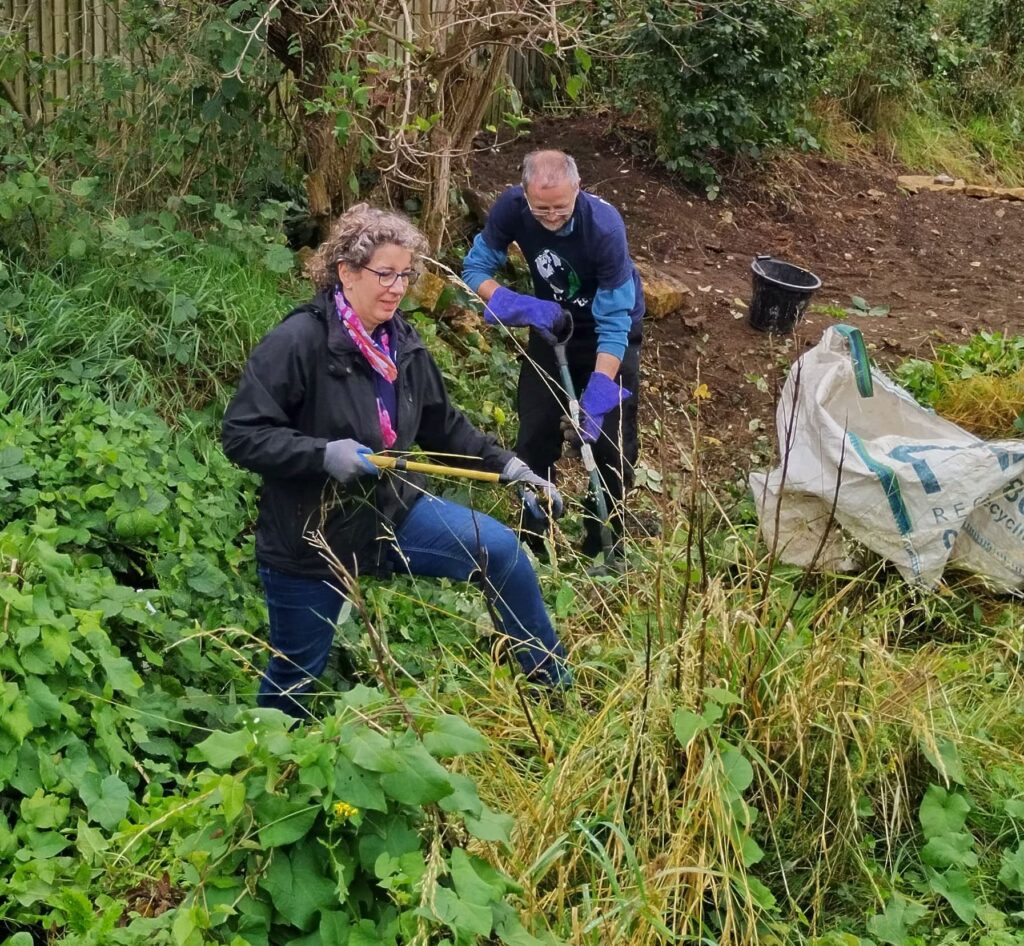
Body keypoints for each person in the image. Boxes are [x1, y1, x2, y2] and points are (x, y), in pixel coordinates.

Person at [222, 203, 570, 719]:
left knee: (501, 552)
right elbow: (241, 434)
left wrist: (509, 467)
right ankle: (266, 766)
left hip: (391, 514)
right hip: (313, 535)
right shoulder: (299, 341)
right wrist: (321, 455)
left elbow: (442, 425)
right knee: (296, 677)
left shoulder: (402, 341)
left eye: (405, 274)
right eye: (384, 274)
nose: (397, 287)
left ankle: (554, 691)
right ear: (346, 271)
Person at [462, 149, 644, 560]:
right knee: (535, 433)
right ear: (525, 194)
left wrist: (598, 391)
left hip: (611, 333)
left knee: (610, 447)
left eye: (560, 207)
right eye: (540, 208)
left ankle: (605, 541)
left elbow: (615, 324)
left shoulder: (604, 229)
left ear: (577, 190)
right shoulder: (511, 208)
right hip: (551, 325)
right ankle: (535, 538)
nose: (551, 216)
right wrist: (517, 304)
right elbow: (474, 270)